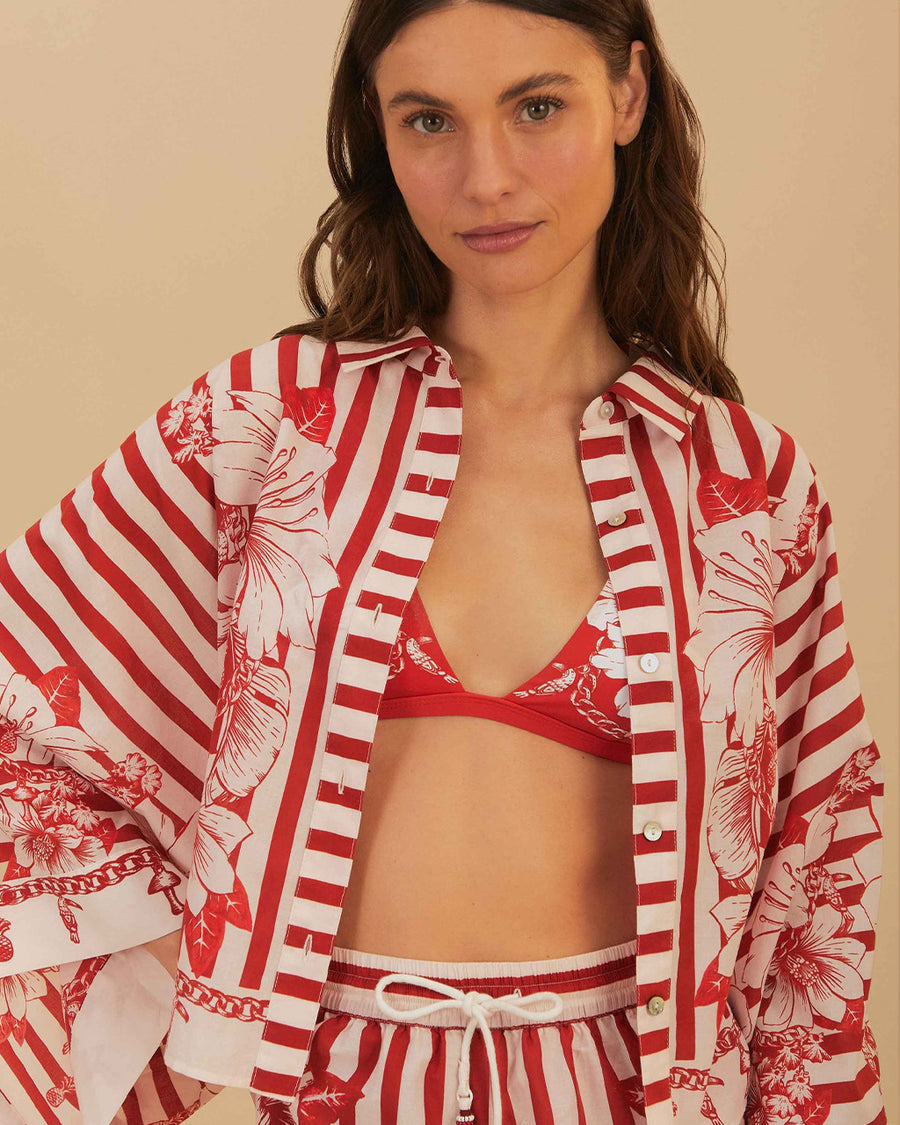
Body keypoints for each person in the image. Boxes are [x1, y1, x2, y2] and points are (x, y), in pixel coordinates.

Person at [0, 2, 886, 1124]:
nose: (487, 179)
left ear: (629, 95)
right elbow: (21, 684)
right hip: (340, 1089)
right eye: (429, 121)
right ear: (380, 133)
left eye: (537, 107)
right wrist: (214, 953)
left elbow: (818, 876)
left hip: (629, 1097)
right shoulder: (274, 425)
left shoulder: (746, 487)